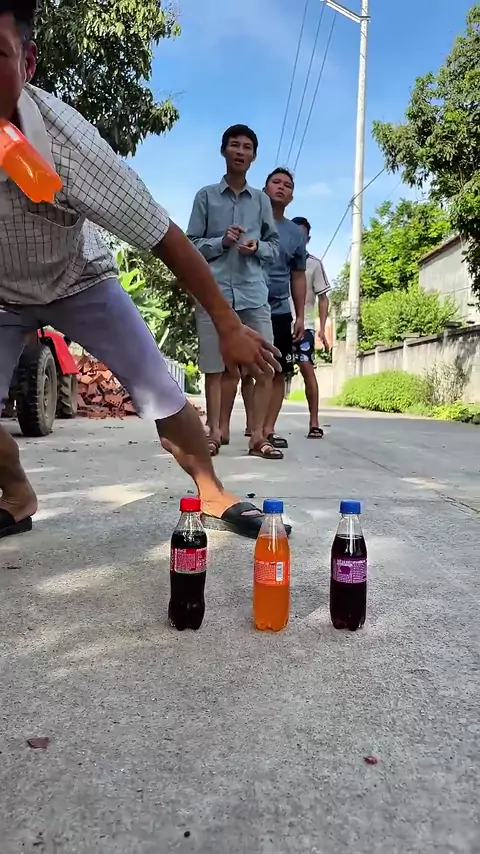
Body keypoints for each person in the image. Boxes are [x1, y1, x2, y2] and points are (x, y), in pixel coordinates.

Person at [0, 2, 287, 542]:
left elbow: (166, 238)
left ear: (27, 62)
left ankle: (211, 489)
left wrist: (227, 325)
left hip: (79, 280)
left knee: (159, 388)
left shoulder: (70, 146)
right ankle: (17, 495)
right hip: (2, 295)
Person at [187, 125, 281, 460]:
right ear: (223, 151)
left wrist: (257, 247)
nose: (240, 152)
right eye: (234, 145)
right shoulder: (206, 196)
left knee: (265, 365)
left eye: (246, 147)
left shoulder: (261, 200)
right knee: (215, 367)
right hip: (214, 295)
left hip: (253, 293)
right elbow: (190, 246)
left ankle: (258, 438)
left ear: (253, 156)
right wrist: (221, 242)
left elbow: (274, 246)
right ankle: (213, 434)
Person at [262, 168, 307, 452]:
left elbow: (298, 276)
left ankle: (267, 429)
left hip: (279, 310)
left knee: (278, 371)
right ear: (265, 188)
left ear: (291, 196)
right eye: (276, 182)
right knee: (242, 370)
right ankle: (226, 429)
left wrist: (300, 315)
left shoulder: (295, 234)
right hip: (247, 305)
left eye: (287, 185)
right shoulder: (252, 221)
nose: (281, 187)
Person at [291, 216, 331, 438]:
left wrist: (321, 329)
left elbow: (323, 298)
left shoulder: (314, 264)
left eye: (302, 236)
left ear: (308, 239)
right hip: (279, 321)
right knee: (272, 372)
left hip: (304, 325)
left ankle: (314, 422)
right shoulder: (278, 260)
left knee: (306, 368)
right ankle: (262, 428)